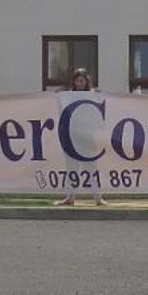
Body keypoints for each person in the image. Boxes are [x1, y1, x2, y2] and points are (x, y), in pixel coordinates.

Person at [55, 66, 108, 207]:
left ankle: (98, 198)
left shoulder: (92, 94)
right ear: (74, 82)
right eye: (77, 81)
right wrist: (60, 97)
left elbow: (99, 109)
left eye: (82, 81)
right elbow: (62, 112)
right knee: (72, 168)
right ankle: (70, 197)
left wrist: (98, 95)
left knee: (91, 167)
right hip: (72, 137)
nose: (80, 84)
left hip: (87, 137)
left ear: (86, 82)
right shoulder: (69, 96)